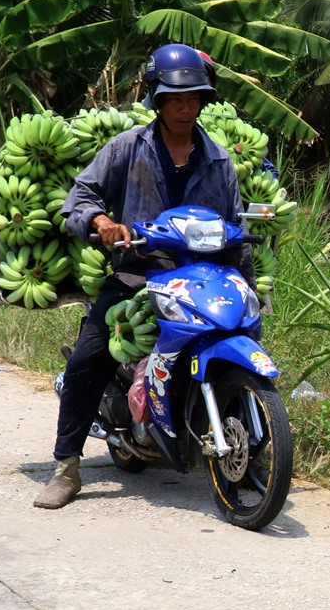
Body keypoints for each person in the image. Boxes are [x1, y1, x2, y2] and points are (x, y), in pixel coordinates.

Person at [33, 44, 243, 510]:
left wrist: (247, 284)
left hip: (201, 278)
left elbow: (235, 231)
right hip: (136, 277)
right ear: (157, 101)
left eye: (193, 99)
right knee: (89, 359)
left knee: (235, 344)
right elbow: (80, 197)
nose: (185, 109)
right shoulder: (127, 148)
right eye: (175, 100)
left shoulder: (219, 160)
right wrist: (100, 223)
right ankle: (66, 466)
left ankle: (239, 442)